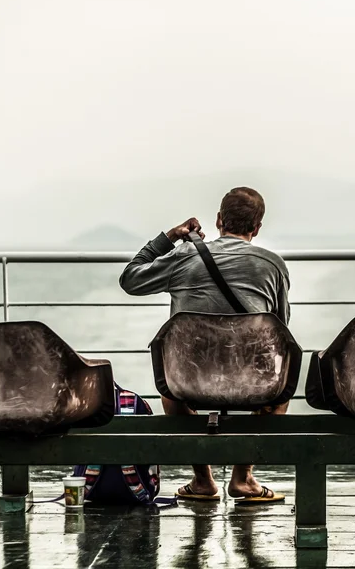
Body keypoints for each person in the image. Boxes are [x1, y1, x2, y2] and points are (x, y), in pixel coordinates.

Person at [119, 187, 290, 503]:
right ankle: (243, 477)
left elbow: (130, 279)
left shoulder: (184, 256)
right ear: (257, 228)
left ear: (219, 220)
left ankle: (203, 480)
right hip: (254, 384)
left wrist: (169, 236)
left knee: (171, 394)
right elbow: (279, 329)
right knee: (279, 394)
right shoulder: (273, 265)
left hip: (190, 382)